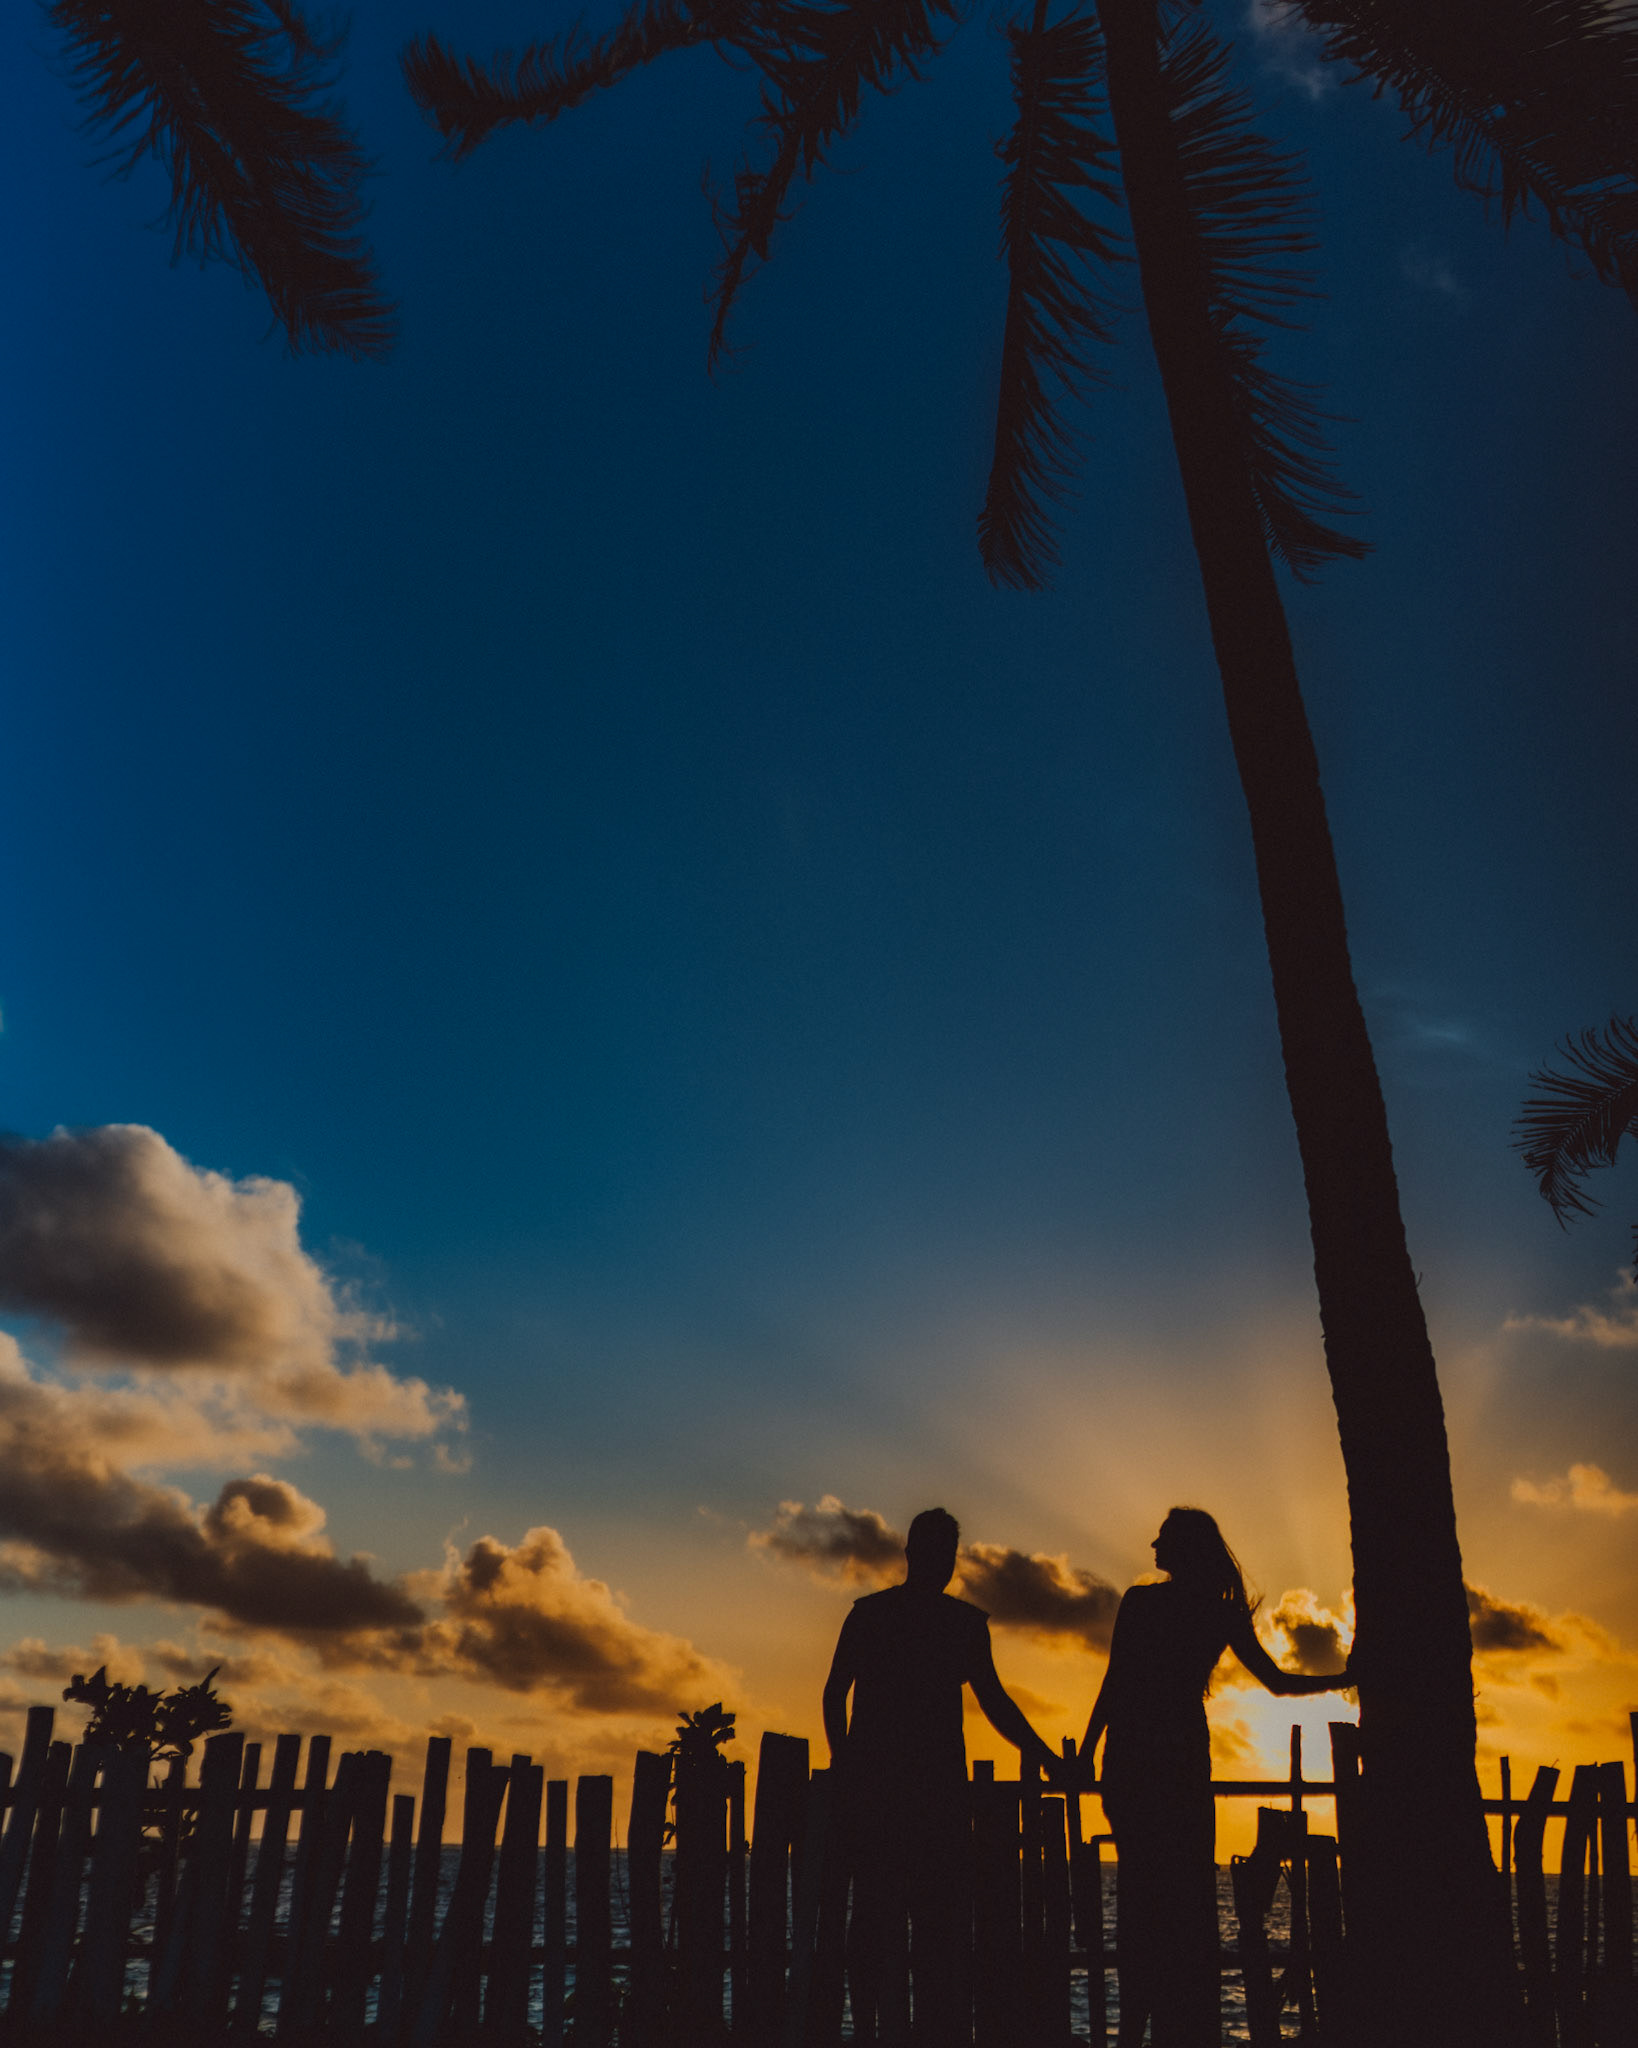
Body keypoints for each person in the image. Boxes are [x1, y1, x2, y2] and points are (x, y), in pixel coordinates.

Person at [1072, 1507, 1352, 2048]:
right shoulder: (1217, 1612)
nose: (1152, 1544)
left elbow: (1116, 1681)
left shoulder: (1144, 1601)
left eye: (1164, 1537)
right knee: (1182, 1902)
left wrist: (1087, 1753)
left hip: (1133, 1758)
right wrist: (1345, 1677)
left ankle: (1135, 2031)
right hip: (1176, 1761)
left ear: (1184, 1548)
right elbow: (1276, 1682)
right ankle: (1178, 2029)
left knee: (1142, 1900)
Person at [823, 1506, 1056, 2045]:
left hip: (904, 1800)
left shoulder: (878, 1615)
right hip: (927, 1802)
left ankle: (877, 2034)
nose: (941, 1565)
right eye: (939, 1555)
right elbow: (996, 1704)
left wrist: (847, 1763)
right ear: (925, 1557)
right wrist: (1047, 1758)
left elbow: (836, 1695)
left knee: (890, 1930)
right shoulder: (956, 1624)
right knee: (921, 1936)